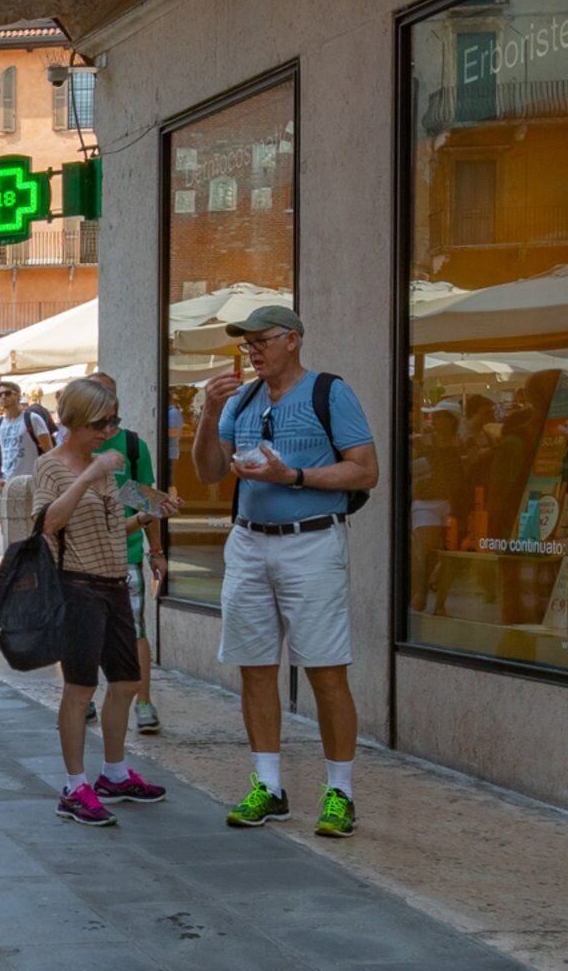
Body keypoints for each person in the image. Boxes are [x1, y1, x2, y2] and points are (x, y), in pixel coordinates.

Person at [194, 303, 378, 837]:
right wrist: (207, 415)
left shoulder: (330, 392)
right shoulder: (243, 399)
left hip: (312, 541)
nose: (251, 351)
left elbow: (366, 470)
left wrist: (293, 475)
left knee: (324, 668)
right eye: (247, 344)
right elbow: (208, 472)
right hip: (250, 543)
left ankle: (340, 791)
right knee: (254, 666)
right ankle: (268, 786)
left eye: (261, 342)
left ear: (292, 340)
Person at [23, 376, 166, 827]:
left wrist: (148, 514)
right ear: (76, 422)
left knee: (126, 682)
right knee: (79, 687)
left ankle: (114, 773)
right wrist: (90, 474)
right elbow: (47, 523)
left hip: (113, 583)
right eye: (102, 423)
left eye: (114, 421)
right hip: (76, 587)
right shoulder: (53, 467)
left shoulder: (102, 465)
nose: (110, 430)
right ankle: (73, 785)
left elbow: (109, 528)